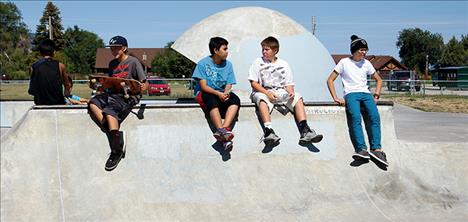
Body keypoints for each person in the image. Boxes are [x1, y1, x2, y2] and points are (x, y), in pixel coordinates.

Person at [248, 36, 323, 146]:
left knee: (298, 97)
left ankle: (305, 130)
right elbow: (253, 83)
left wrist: (291, 91)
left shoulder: (284, 64)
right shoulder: (257, 62)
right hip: (263, 91)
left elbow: (289, 84)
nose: (264, 51)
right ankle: (269, 131)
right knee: (261, 99)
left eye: (267, 49)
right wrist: (267, 93)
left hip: (280, 93)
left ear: (275, 50)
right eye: (263, 49)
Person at [326, 35, 388, 166]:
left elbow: (379, 80)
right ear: (354, 50)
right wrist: (335, 97)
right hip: (351, 94)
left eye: (365, 50)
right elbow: (330, 79)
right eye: (361, 50)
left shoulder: (367, 63)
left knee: (375, 117)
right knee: (355, 118)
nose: (364, 52)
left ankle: (376, 149)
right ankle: (362, 149)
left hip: (366, 94)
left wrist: (376, 95)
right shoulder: (344, 62)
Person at [88, 36, 147, 171]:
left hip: (130, 96)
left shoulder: (133, 62)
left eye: (116, 48)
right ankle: (113, 133)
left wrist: (145, 87)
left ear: (124, 48)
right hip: (114, 93)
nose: (113, 50)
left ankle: (116, 151)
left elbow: (144, 82)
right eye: (112, 48)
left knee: (109, 111)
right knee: (93, 103)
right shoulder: (112, 64)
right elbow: (110, 82)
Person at [192, 37, 240, 151]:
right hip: (206, 92)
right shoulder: (203, 64)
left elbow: (229, 84)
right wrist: (218, 94)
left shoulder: (228, 65)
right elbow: (203, 87)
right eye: (224, 49)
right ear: (215, 50)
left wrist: (226, 93)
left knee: (235, 100)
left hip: (221, 93)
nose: (227, 51)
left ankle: (223, 130)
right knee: (210, 98)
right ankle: (222, 132)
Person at [28, 39, 72, 105]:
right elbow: (67, 84)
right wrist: (66, 95)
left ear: (40, 52)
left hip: (40, 103)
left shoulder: (34, 67)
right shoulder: (60, 66)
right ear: (54, 52)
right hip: (58, 103)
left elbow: (32, 90)